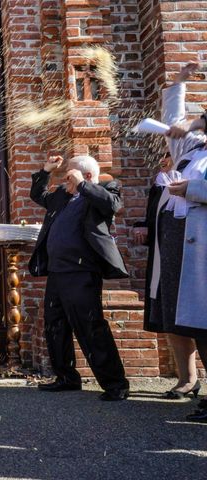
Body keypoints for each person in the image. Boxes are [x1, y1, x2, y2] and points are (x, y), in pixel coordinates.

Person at [28, 154, 131, 401]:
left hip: (81, 271)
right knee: (55, 325)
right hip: (57, 271)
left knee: (90, 326)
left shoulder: (105, 189)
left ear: (85, 176)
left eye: (69, 176)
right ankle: (66, 377)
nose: (64, 180)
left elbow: (112, 205)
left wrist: (84, 186)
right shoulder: (63, 197)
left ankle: (115, 384)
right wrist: (45, 170)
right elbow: (38, 195)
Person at [151, 62, 207, 422]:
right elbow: (173, 119)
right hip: (173, 237)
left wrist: (193, 189)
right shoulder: (191, 147)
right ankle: (188, 380)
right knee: (173, 311)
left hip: (201, 245)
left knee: (201, 318)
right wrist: (181, 82)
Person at [132, 150, 203, 400]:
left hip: (192, 261)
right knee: (171, 319)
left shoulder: (195, 179)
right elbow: (153, 215)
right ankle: (187, 379)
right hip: (165, 261)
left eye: (167, 156)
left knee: (196, 322)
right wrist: (143, 226)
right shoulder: (162, 184)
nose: (162, 161)